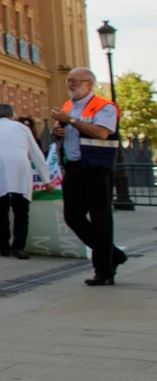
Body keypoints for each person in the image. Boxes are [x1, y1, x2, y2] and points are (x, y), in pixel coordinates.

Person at [50, 67, 124, 286]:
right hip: (74, 166)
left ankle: (104, 271)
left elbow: (102, 132)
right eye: (68, 81)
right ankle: (113, 255)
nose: (70, 85)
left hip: (97, 168)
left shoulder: (104, 106)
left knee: (100, 219)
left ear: (89, 84)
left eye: (75, 81)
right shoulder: (67, 106)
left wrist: (70, 121)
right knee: (72, 217)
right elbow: (63, 129)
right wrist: (58, 130)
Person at [0, 104, 51, 259]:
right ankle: (19, 247)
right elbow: (36, 154)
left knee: (1, 211)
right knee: (21, 211)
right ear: (12, 115)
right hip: (20, 168)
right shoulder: (22, 128)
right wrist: (47, 180)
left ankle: (4, 246)